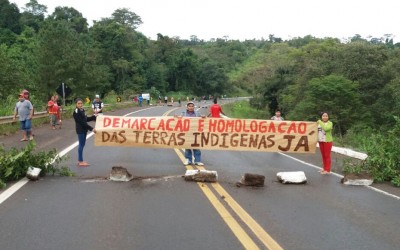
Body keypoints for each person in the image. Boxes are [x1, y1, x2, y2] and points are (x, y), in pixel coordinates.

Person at [179, 101, 205, 166]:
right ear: (187, 107)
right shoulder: (183, 113)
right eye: (189, 106)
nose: (191, 107)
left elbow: (202, 119)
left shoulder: (197, 113)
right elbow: (178, 120)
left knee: (196, 147)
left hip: (195, 132)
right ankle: (188, 160)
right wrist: (176, 117)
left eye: (192, 106)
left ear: (194, 107)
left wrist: (203, 117)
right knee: (187, 147)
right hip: (186, 132)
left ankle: (197, 161)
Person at [73, 98, 97, 166]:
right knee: (81, 145)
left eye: (81, 103)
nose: (80, 105)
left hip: (84, 130)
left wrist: (93, 117)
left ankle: (80, 160)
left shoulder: (82, 110)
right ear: (76, 104)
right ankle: (80, 161)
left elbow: (85, 119)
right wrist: (91, 128)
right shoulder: (76, 111)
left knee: (82, 144)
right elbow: (81, 122)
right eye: (79, 103)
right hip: (80, 130)